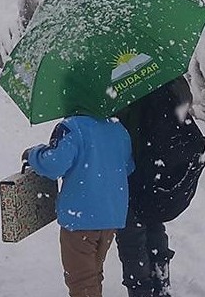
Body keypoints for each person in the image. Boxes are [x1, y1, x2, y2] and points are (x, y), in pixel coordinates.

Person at [115, 76, 205, 297]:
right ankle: (160, 280)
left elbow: (120, 131)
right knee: (153, 221)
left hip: (135, 168)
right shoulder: (162, 73)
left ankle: (141, 290)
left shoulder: (121, 83)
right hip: (162, 168)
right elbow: (185, 101)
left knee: (131, 235)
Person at [23, 115, 134, 297]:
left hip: (81, 218)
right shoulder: (117, 128)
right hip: (111, 216)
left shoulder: (72, 128)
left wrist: (34, 154)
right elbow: (127, 166)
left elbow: (53, 165)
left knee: (81, 280)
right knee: (93, 273)